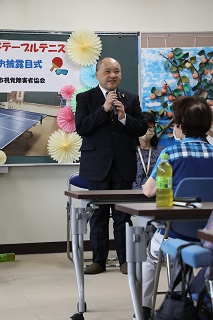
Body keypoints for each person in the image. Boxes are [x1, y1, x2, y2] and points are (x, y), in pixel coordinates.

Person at [140, 95, 213, 320]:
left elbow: (150, 192)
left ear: (180, 127)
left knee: (151, 255)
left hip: (175, 233)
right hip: (209, 234)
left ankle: (143, 309)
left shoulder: (170, 153)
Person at [75, 57, 148, 275]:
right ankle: (99, 260)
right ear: (97, 74)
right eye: (107, 71)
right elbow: (82, 127)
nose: (112, 75)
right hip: (97, 166)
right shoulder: (85, 98)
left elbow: (142, 128)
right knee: (98, 214)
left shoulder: (131, 98)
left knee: (122, 215)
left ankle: (125, 260)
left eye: (116, 71)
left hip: (123, 165)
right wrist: (104, 109)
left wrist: (124, 117)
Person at [132, 111, 164, 190]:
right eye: (144, 127)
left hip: (155, 194)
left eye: (150, 127)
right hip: (133, 195)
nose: (147, 130)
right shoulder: (130, 152)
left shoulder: (162, 152)